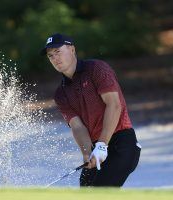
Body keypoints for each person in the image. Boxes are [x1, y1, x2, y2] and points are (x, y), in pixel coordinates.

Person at [40, 33, 141, 187]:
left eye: (58, 52)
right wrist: (87, 153)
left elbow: (114, 105)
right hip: (96, 149)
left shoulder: (96, 69)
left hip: (122, 143)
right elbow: (77, 126)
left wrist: (102, 144)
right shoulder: (60, 94)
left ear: (72, 49)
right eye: (50, 56)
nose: (55, 58)